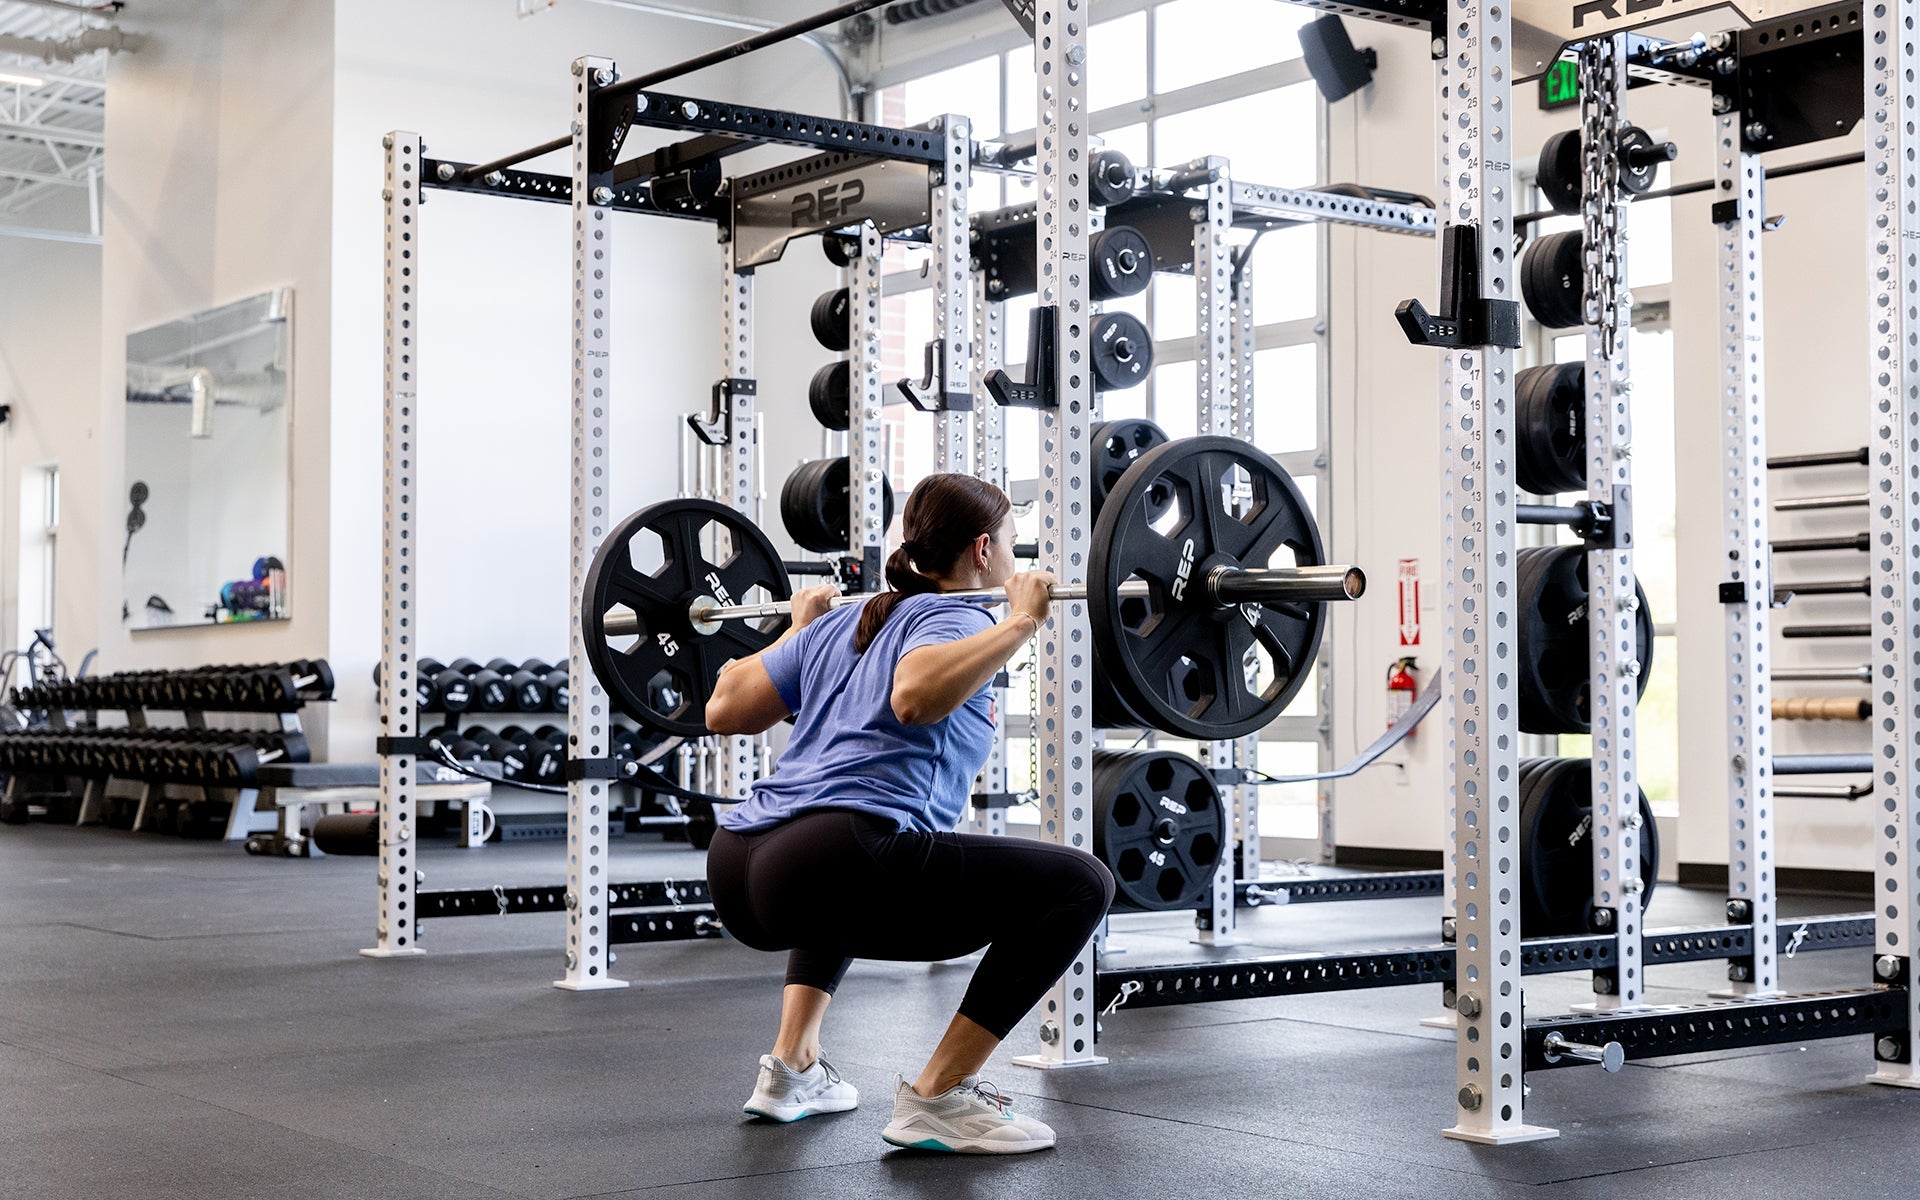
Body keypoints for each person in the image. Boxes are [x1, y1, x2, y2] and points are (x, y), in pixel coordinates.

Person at [704, 472, 1116, 1155]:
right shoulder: (960, 614)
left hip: (742, 864)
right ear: (984, 551)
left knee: (845, 864)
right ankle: (940, 1096)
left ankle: (792, 1068)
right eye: (1013, 542)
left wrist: (795, 634)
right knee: (1082, 883)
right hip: (829, 857)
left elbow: (722, 706)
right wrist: (1022, 621)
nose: (1016, 558)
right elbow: (914, 697)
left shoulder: (842, 622)